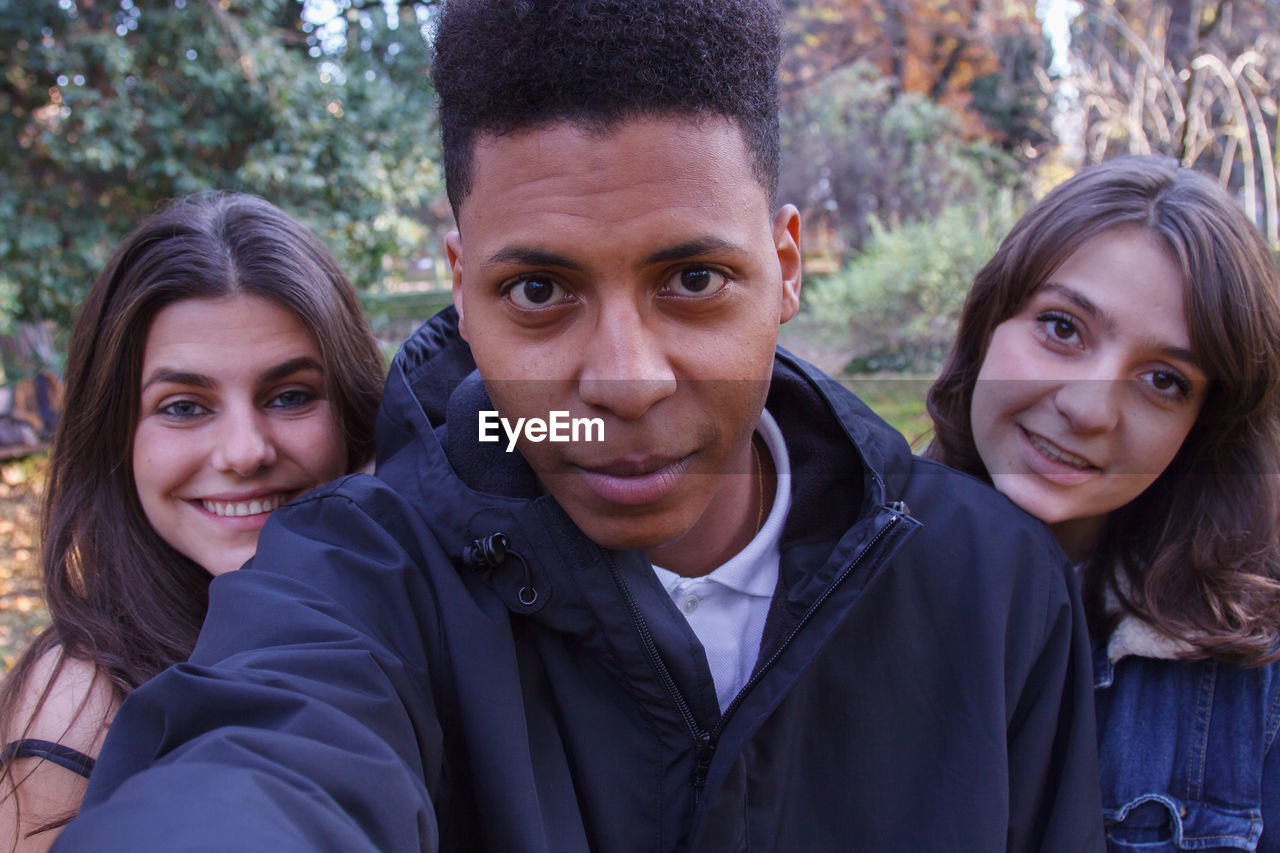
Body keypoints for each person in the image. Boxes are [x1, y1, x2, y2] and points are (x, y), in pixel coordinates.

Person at [56, 2, 1104, 850]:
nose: (623, 381)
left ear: (784, 267)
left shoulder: (991, 583)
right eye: (540, 291)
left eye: (692, 279)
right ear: (462, 289)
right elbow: (267, 768)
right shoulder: (358, 572)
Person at [0, 192, 386, 851]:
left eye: (290, 396)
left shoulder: (404, 618)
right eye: (183, 406)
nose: (244, 451)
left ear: (350, 413)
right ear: (118, 432)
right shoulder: (77, 714)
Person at [927, 155, 1280, 850]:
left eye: (1162, 379)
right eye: (1062, 328)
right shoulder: (828, 587)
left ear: (1204, 426)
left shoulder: (1255, 676)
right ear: (989, 326)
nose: (1089, 408)